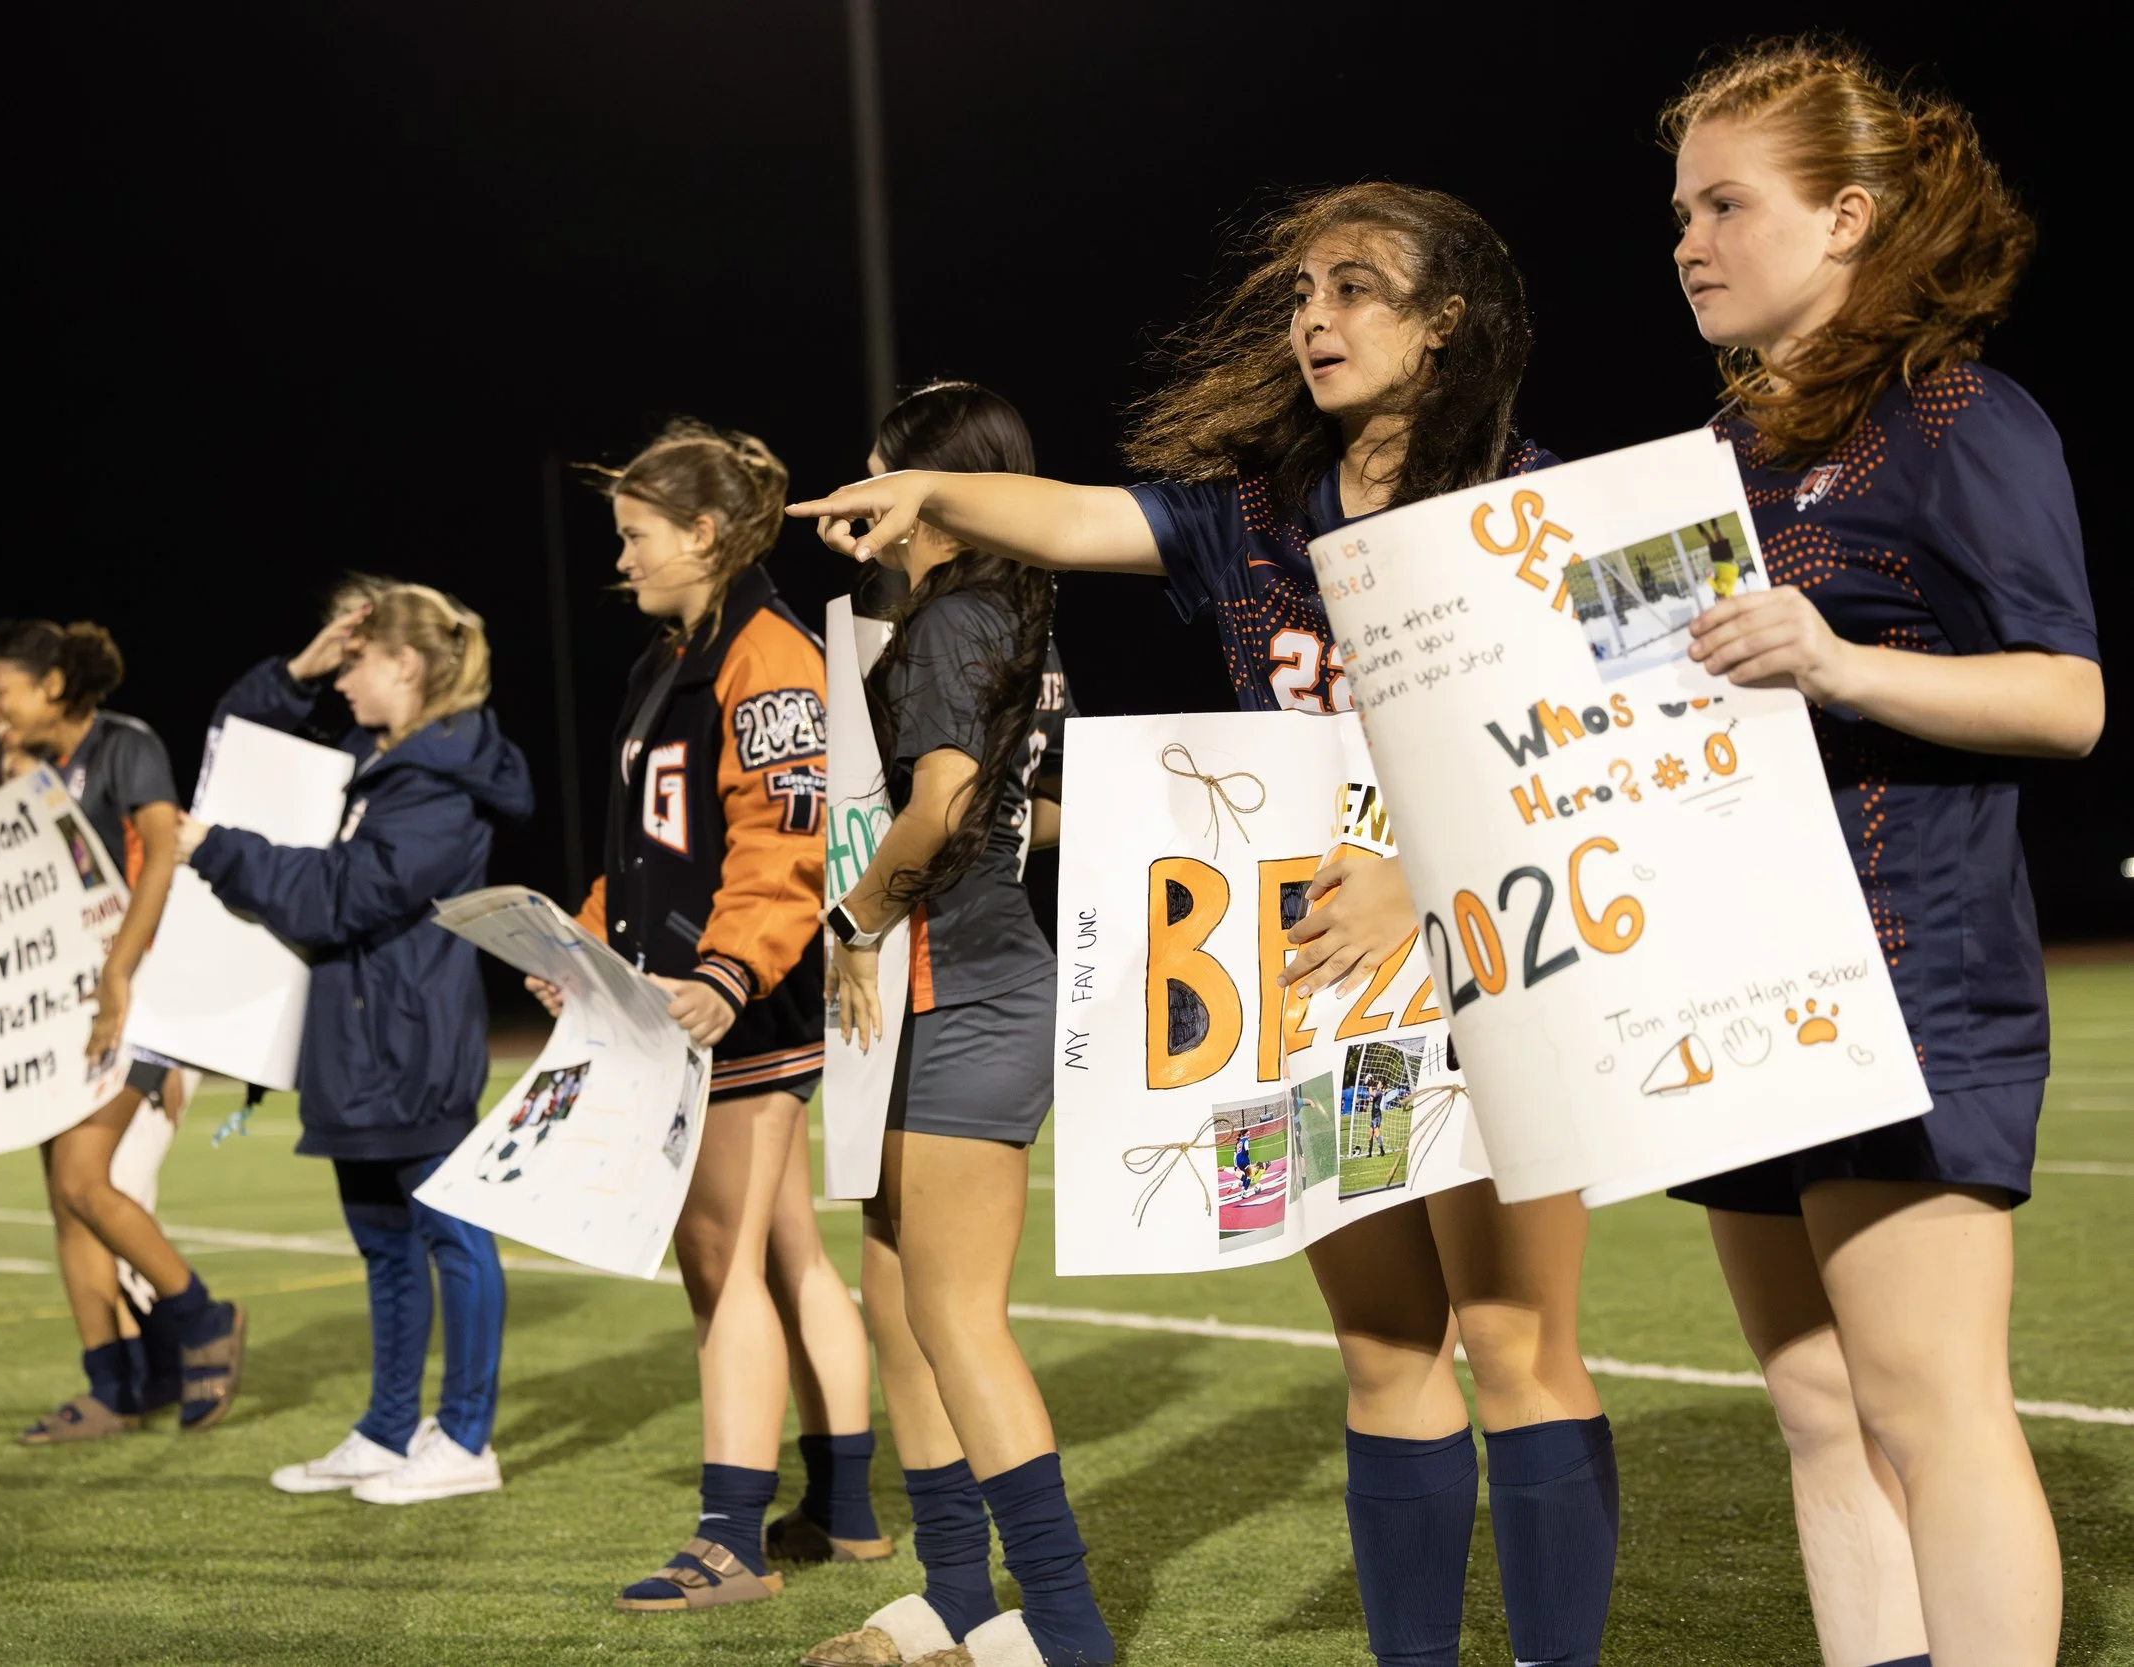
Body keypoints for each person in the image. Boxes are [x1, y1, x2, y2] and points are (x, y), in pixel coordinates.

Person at [793, 188, 1618, 1667]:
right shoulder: (1253, 510)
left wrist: (1423, 878)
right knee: (1382, 1347)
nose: (1317, 315)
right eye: (1304, 288)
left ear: (1451, 322)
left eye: (1358, 287)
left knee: (1513, 1339)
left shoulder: (1527, 505)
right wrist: (937, 494)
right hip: (1311, 982)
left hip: (1482, 961)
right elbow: (1086, 515)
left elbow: (1585, 756)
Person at [1661, 41, 2101, 1667]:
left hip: (1909, 972)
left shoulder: (1955, 410)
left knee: (1932, 1405)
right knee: (1821, 1407)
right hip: (1743, 976)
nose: (1691, 240)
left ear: (1846, 217)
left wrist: (1839, 662)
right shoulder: (1718, 465)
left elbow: (2067, 697)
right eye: (1679, 209)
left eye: (1728, 202)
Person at [528, 420, 883, 1612]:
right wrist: (577, 945)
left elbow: (784, 841)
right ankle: (846, 1507)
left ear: (702, 532)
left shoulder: (766, 655)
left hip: (732, 1006)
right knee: (782, 1249)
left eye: (636, 536)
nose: (620, 559)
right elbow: (649, 851)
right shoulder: (673, 655)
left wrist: (727, 974)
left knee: (719, 1262)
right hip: (692, 995)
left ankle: (728, 1536)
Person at [801, 381, 1111, 1667]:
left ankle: (1066, 1626)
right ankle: (957, 1594)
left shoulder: (954, 622)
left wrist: (855, 921)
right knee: (897, 1298)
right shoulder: (1000, 614)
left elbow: (938, 808)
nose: (860, 495)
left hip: (956, 980)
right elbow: (1031, 809)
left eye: (876, 475)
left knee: (958, 1313)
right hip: (954, 975)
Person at [182, 584, 531, 1504]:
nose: (340, 680)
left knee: (452, 1235)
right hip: (351, 1037)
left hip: (411, 1039)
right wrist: (295, 668)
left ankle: (464, 1438)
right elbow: (240, 755)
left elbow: (342, 893)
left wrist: (217, 850)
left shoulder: (438, 776)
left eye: (354, 662)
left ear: (405, 666)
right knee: (384, 1243)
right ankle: (385, 1430)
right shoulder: (368, 757)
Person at [0, 620, 246, 1441]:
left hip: (137, 1001)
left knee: (87, 1181)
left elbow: (163, 854)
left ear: (52, 684)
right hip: (53, 1019)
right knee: (66, 1204)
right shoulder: (27, 778)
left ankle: (200, 1317)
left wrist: (119, 976)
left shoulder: (124, 743)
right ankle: (114, 1384)